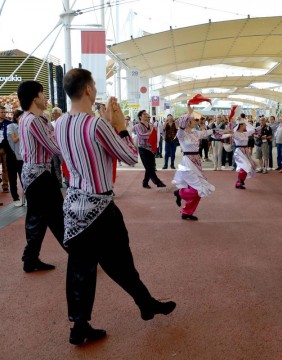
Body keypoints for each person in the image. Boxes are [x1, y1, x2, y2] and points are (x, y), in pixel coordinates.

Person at [56, 68, 175, 345]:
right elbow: (130, 156)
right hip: (99, 206)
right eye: (94, 85)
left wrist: (107, 123)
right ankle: (145, 303)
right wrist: (119, 126)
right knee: (120, 261)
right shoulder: (96, 126)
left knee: (80, 267)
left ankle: (79, 325)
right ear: (87, 89)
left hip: (74, 205)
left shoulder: (60, 123)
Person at [17, 80, 65, 272]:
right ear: (35, 96)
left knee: (38, 218)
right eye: (43, 93)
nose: (45, 97)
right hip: (40, 176)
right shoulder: (35, 121)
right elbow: (54, 146)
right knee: (57, 217)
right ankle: (79, 256)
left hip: (34, 175)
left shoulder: (26, 119)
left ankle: (30, 259)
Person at [172, 105, 229, 220]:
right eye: (193, 119)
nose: (196, 121)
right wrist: (188, 113)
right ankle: (180, 193)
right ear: (187, 122)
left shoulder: (196, 133)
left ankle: (187, 212)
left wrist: (227, 131)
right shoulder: (181, 134)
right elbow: (181, 126)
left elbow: (210, 131)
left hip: (197, 162)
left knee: (200, 189)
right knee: (199, 189)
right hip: (187, 163)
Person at [134, 110, 166, 189]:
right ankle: (157, 182)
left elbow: (156, 135)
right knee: (149, 167)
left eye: (146, 114)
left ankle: (145, 183)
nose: (146, 115)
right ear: (140, 117)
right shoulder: (137, 126)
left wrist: (154, 133)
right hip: (143, 148)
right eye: (144, 114)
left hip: (151, 148)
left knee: (151, 166)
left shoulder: (151, 125)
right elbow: (141, 135)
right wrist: (152, 133)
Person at [233, 114, 258, 189]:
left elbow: (253, 129)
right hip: (239, 152)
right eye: (244, 125)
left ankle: (239, 182)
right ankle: (239, 181)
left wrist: (244, 121)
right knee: (246, 166)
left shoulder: (245, 133)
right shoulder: (235, 133)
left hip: (245, 151)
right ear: (240, 126)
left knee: (247, 166)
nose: (246, 126)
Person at [6, 109, 25, 206]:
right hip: (12, 156)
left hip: (23, 156)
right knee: (12, 178)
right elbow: (14, 140)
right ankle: (15, 198)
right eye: (22, 116)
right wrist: (22, 131)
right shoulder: (11, 126)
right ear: (17, 117)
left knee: (24, 177)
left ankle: (25, 198)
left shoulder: (26, 126)